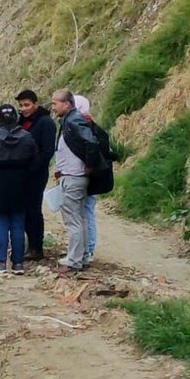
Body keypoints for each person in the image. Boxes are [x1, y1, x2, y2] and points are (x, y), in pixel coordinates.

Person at [0, 105, 38, 275]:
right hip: (21, 183)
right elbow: (34, 158)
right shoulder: (27, 137)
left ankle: (0, 262)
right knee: (18, 223)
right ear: (16, 118)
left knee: (0, 223)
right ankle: (18, 263)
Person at [51, 89, 108, 274]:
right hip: (74, 176)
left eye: (55, 103)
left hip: (73, 176)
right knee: (81, 218)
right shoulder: (71, 119)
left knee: (73, 220)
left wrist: (89, 165)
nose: (53, 106)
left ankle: (74, 260)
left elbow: (90, 142)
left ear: (66, 104)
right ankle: (81, 256)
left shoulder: (73, 120)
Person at [73, 95, 118, 266]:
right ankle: (86, 248)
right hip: (92, 178)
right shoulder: (94, 128)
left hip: (86, 177)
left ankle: (88, 248)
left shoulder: (84, 128)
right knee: (86, 212)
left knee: (84, 213)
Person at [16, 89, 57, 261]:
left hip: (36, 173)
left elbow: (47, 151)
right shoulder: (20, 122)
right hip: (20, 173)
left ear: (35, 104)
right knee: (23, 209)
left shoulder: (45, 122)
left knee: (33, 209)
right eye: (21, 105)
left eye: (27, 105)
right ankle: (29, 244)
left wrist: (32, 167)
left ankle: (36, 247)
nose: (24, 109)